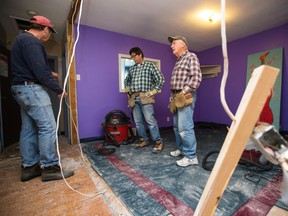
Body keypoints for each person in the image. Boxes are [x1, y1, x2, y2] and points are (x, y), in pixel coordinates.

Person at [10, 15, 74, 182]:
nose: (49, 36)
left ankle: (29, 167)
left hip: (20, 89)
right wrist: (58, 89)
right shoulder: (33, 42)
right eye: (50, 32)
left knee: (29, 128)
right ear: (45, 29)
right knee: (48, 127)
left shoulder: (20, 39)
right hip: (32, 89)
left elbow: (31, 67)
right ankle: (50, 167)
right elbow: (39, 70)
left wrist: (48, 73)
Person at [168, 36, 202, 167]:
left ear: (183, 44)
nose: (172, 46)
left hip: (185, 95)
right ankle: (181, 149)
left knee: (185, 127)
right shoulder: (178, 61)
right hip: (176, 96)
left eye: (174, 43)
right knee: (177, 127)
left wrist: (183, 92)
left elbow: (196, 78)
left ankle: (191, 156)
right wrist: (173, 96)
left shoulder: (191, 56)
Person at [124, 47, 165, 153]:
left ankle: (158, 142)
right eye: (131, 56)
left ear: (140, 54)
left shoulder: (150, 65)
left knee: (150, 121)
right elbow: (126, 80)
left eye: (134, 56)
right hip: (134, 98)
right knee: (138, 122)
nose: (133, 58)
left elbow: (161, 79)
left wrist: (154, 91)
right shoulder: (132, 69)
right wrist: (128, 90)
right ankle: (144, 140)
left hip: (146, 97)